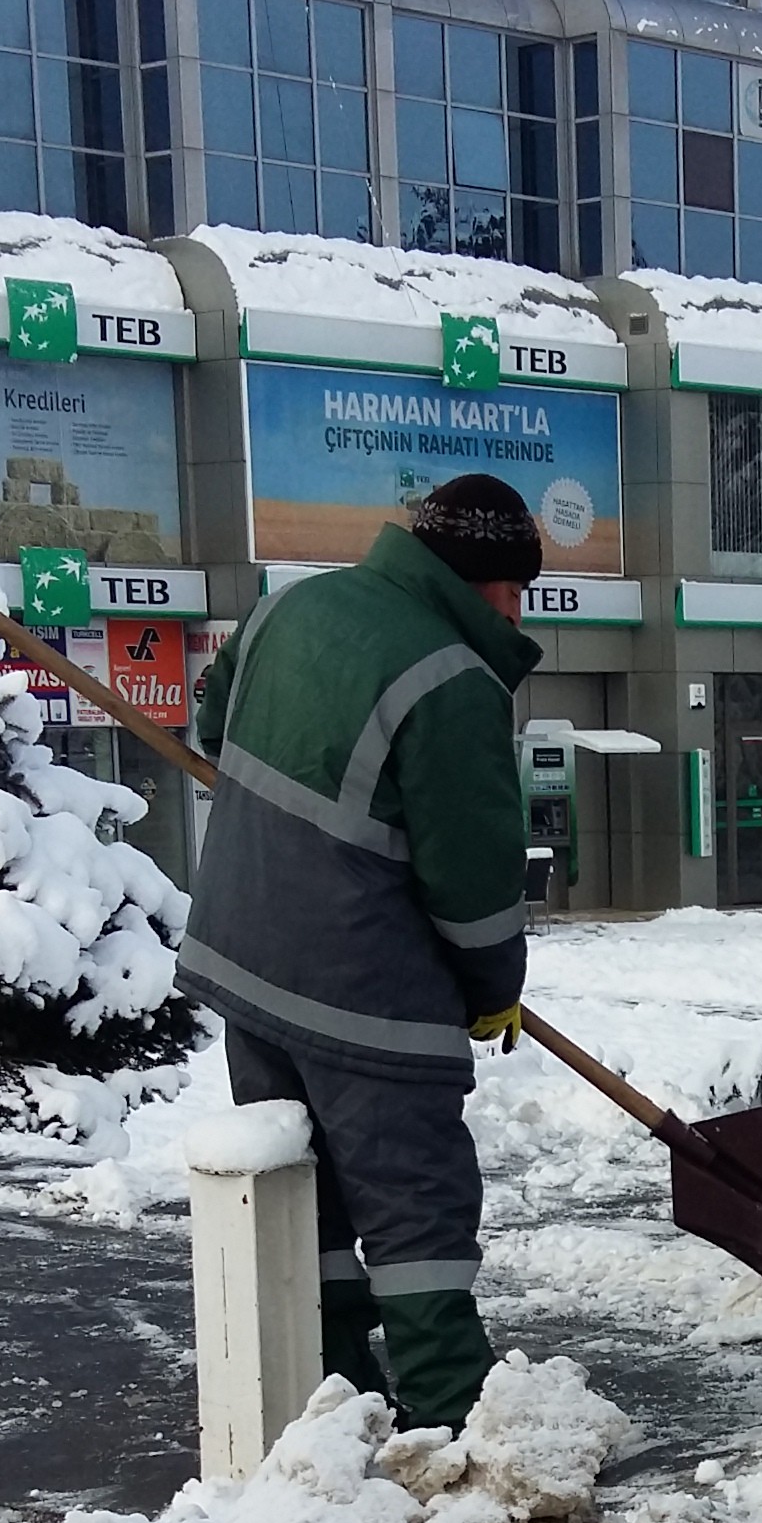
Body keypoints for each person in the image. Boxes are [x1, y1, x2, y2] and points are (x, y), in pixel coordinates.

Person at [180, 473, 542, 1435]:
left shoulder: (286, 606)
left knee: (318, 1211)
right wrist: (492, 987)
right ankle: (454, 1423)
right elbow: (472, 878)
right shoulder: (452, 677)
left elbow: (213, 731)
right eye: (518, 591)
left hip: (246, 971)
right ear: (488, 584)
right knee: (415, 1213)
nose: (519, 612)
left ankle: (340, 1412)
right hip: (364, 996)